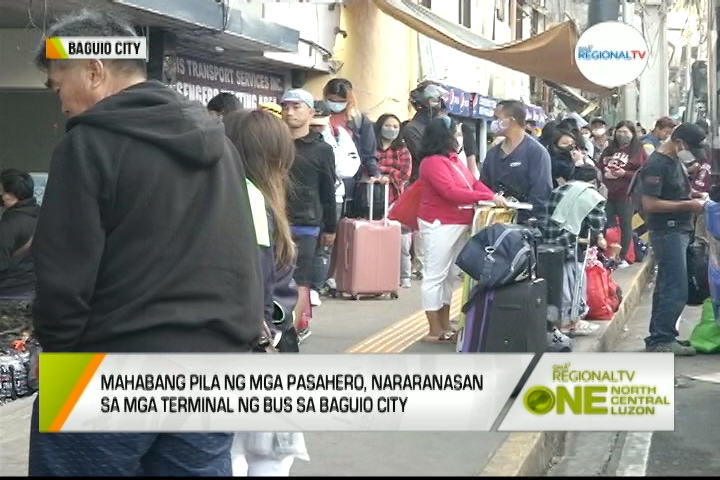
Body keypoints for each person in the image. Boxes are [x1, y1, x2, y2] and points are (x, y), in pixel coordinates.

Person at [29, 10, 263, 477]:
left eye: (58, 87)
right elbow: (243, 248)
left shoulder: (88, 145)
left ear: (94, 69)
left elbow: (65, 269)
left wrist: (53, 350)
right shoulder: (218, 143)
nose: (61, 103)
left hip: (108, 364)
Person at [223, 109, 309, 476]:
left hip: (223, 349)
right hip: (255, 351)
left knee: (229, 453)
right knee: (268, 456)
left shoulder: (216, 198)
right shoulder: (258, 203)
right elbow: (260, 283)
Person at [417, 116, 503, 343]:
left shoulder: (454, 160)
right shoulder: (432, 162)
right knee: (435, 275)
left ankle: (444, 326)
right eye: (455, 132)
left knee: (450, 276)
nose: (459, 137)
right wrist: (488, 197)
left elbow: (473, 184)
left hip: (458, 222)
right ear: (444, 136)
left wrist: (493, 195)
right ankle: (434, 328)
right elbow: (450, 192)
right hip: (440, 223)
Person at [640, 123, 708, 356]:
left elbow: (675, 191)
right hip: (667, 232)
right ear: (678, 143)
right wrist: (689, 205)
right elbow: (650, 203)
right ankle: (662, 338)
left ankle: (659, 335)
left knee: (668, 284)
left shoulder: (673, 161)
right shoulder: (657, 164)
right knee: (675, 286)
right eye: (689, 147)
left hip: (679, 230)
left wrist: (695, 196)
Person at [281, 88, 337, 339]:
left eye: (296, 107)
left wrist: (331, 228)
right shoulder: (276, 143)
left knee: (300, 279)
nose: (289, 112)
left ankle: (295, 328)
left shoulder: (321, 149)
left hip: (306, 223)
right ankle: (278, 325)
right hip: (275, 221)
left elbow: (328, 190)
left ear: (311, 112)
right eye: (286, 107)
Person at [543, 165, 607, 335]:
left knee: (559, 282)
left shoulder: (559, 189)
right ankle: (571, 321)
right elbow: (597, 223)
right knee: (575, 282)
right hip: (572, 243)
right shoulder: (591, 195)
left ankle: (561, 321)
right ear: (593, 181)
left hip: (549, 243)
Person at [308, 100, 360, 303]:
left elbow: (350, 167)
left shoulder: (339, 135)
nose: (316, 129)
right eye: (313, 125)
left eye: (320, 124)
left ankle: (315, 287)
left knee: (325, 244)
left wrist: (328, 158)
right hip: (303, 197)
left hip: (333, 196)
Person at [481, 100, 553, 224]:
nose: (494, 123)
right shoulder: (493, 154)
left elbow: (541, 193)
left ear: (511, 121)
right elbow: (483, 186)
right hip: (494, 222)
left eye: (497, 118)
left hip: (525, 225)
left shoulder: (536, 153)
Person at [322, 78, 380, 215]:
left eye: (340, 101)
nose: (336, 104)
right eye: (332, 100)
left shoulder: (359, 120)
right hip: (322, 176)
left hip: (350, 181)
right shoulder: (317, 115)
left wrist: (375, 174)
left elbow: (368, 153)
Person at [596, 121, 647, 266]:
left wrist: (624, 173)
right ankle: (601, 254)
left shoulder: (638, 150)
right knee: (603, 223)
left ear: (632, 134)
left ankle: (623, 257)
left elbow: (643, 172)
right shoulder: (609, 149)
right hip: (607, 194)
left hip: (626, 194)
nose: (621, 135)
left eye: (625, 132)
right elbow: (599, 166)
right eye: (619, 131)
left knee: (626, 225)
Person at [374, 113, 413, 288]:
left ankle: (404, 275)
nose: (392, 130)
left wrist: (382, 171)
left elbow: (405, 174)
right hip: (372, 200)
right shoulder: (371, 146)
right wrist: (387, 171)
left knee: (402, 240)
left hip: (396, 198)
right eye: (388, 126)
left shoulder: (403, 150)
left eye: (396, 127)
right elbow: (366, 167)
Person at [0, 169, 39, 296]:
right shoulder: (42, 215)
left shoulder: (10, 224)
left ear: (9, 195)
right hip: (35, 286)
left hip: (9, 291)